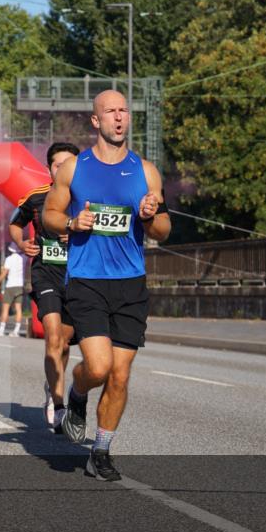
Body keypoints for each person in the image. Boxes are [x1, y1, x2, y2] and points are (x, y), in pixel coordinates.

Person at [43, 89, 170, 482]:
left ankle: (101, 449)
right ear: (95, 121)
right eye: (110, 112)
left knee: (120, 374)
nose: (119, 117)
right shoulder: (74, 169)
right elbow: (50, 213)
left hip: (130, 284)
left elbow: (164, 231)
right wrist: (70, 223)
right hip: (87, 281)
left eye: (123, 111)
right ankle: (77, 394)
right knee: (97, 367)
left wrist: (150, 217)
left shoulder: (146, 171)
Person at [9, 142, 80, 431]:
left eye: (69, 164)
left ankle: (54, 384)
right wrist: (21, 242)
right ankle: (59, 403)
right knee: (52, 339)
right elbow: (16, 223)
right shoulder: (36, 197)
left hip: (79, 278)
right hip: (46, 275)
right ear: (48, 168)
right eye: (57, 165)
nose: (62, 169)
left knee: (64, 343)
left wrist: (77, 238)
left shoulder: (88, 198)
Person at [0, 243, 27, 337]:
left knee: (5, 308)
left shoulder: (9, 259)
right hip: (20, 285)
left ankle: (1, 330)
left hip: (10, 285)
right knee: (18, 309)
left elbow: (5, 273)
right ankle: (16, 331)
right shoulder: (24, 258)